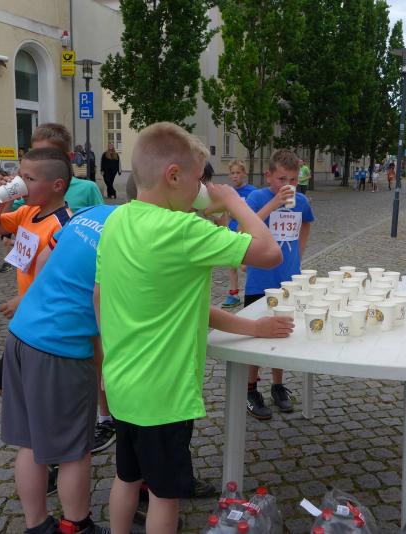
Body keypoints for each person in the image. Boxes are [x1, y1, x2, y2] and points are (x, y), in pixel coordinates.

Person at [95, 122, 284, 534]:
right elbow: (269, 252)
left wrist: (254, 328)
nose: (204, 188)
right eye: (199, 179)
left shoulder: (117, 220)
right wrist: (233, 201)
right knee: (165, 495)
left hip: (122, 383)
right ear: (174, 176)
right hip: (164, 395)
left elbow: (110, 297)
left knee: (127, 478)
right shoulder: (184, 231)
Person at [0, 202, 113, 534]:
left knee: (30, 442)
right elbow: (101, 299)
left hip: (23, 331)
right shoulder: (137, 231)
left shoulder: (93, 213)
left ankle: (37, 525)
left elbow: (45, 259)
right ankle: (77, 525)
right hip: (62, 347)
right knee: (74, 450)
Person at [0, 148, 73, 391]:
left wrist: (23, 299)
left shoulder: (64, 225)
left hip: (45, 321)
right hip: (25, 318)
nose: (21, 183)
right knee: (4, 387)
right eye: (20, 176)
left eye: (28, 178)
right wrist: (3, 198)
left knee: (30, 389)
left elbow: (58, 279)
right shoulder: (28, 212)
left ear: (57, 185)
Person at [243, 149, 315, 420]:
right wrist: (273, 204)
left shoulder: (301, 201)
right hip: (260, 280)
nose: (288, 185)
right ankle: (250, 388)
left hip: (288, 280)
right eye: (282, 179)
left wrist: (300, 253)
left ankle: (278, 385)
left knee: (282, 331)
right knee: (255, 336)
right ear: (269, 176)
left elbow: (307, 222)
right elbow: (243, 229)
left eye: (293, 179)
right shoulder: (257, 197)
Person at [223, 160, 257, 309]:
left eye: (238, 172)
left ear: (244, 173)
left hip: (247, 233)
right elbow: (226, 214)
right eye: (232, 173)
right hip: (232, 231)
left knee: (246, 266)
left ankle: (252, 291)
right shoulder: (228, 192)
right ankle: (234, 294)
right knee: (231, 264)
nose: (235, 176)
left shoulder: (252, 192)